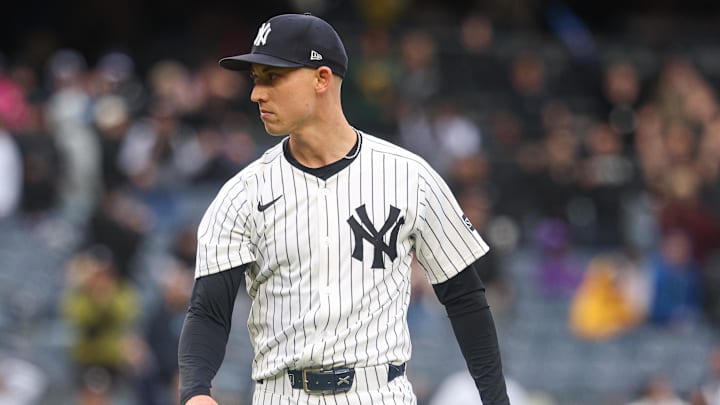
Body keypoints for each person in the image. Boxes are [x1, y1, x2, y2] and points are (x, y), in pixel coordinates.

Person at [178, 13, 509, 405]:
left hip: (380, 392)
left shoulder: (409, 176)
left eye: (273, 77)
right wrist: (195, 392)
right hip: (284, 394)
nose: (257, 94)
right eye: (256, 79)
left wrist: (495, 400)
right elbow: (208, 312)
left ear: (321, 78)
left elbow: (465, 298)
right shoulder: (242, 194)